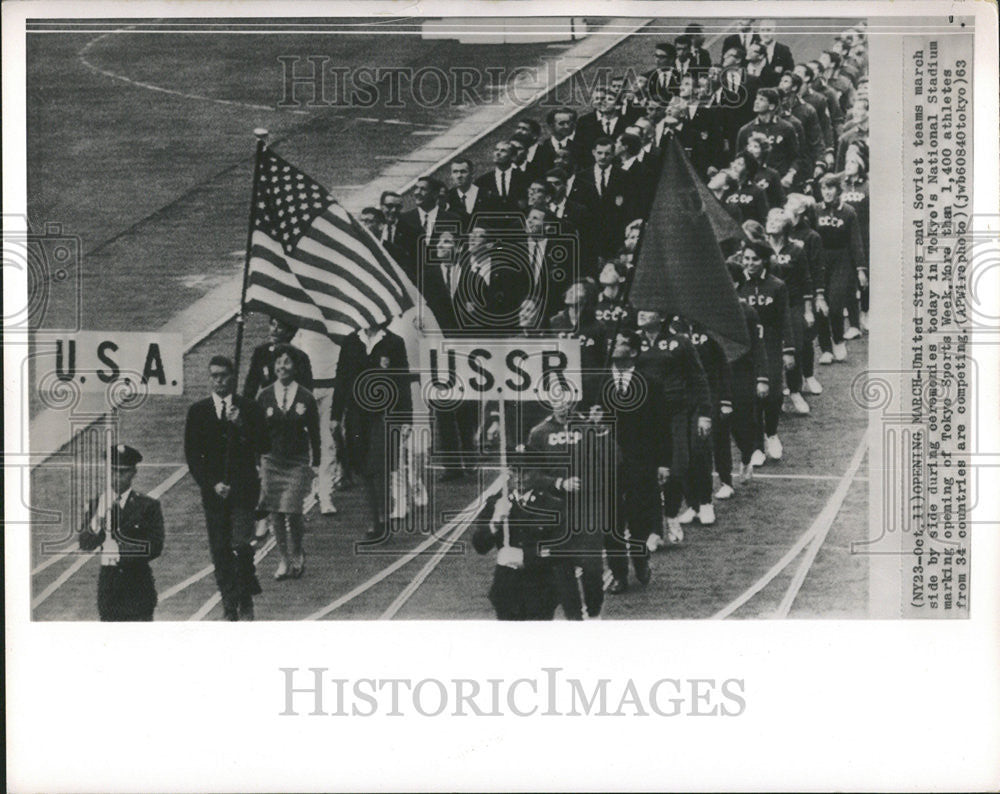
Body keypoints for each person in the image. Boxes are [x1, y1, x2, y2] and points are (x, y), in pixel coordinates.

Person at [185, 355, 269, 620]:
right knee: (220, 550)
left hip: (243, 490)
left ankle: (245, 592)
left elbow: (264, 445)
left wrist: (241, 425)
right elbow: (193, 455)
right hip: (215, 494)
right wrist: (211, 483)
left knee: (241, 545)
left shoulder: (249, 408)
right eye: (214, 376)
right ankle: (229, 602)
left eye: (224, 375)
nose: (219, 381)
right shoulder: (198, 412)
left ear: (233, 377)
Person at [331, 323, 412, 536]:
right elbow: (341, 380)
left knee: (379, 465)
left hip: (383, 414)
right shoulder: (350, 342)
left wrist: (406, 418)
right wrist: (335, 416)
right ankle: (373, 516)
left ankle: (383, 517)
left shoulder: (393, 343)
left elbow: (402, 382)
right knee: (363, 467)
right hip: (357, 415)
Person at [77, 444, 164, 621]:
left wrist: (119, 553)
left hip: (138, 586)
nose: (117, 477)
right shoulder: (98, 504)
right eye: (113, 472)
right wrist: (98, 517)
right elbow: (85, 543)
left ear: (133, 473)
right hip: (109, 588)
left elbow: (155, 547)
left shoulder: (147, 506)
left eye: (123, 472)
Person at [257, 345, 321, 579]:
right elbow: (257, 432)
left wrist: (316, 463)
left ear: (295, 367)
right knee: (276, 513)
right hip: (271, 461)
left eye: (287, 362)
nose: (281, 367)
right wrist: (258, 463)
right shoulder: (263, 396)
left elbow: (314, 432)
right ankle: (284, 558)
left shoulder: (306, 397)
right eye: (278, 362)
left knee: (293, 512)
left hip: (296, 461)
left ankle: (297, 551)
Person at [736, 241, 795, 465]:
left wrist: (788, 350)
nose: (750, 263)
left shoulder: (777, 286)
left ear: (764, 261)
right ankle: (757, 447)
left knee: (772, 394)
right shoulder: (738, 286)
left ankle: (771, 433)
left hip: (769, 345)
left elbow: (785, 319)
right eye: (746, 259)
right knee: (751, 397)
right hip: (746, 348)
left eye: (755, 259)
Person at [471, 482, 560, 621]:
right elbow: (479, 546)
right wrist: (495, 522)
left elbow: (561, 550)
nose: (520, 476)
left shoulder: (551, 504)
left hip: (541, 592)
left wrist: (524, 557)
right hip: (506, 591)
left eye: (526, 470)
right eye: (515, 469)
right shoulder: (497, 502)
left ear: (536, 473)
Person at [764, 208, 814, 415]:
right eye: (770, 219)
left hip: (792, 304)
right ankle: (776, 394)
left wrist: (808, 310)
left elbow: (806, 280)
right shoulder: (761, 249)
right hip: (767, 307)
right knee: (768, 352)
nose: (772, 222)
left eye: (777, 220)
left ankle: (795, 391)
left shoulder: (796, 250)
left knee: (795, 347)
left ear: (785, 226)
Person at [813, 173, 867, 363]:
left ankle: (838, 340)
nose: (827, 192)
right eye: (823, 189)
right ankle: (826, 349)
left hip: (842, 260)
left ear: (838, 189)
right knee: (820, 306)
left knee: (835, 305)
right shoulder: (815, 210)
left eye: (830, 188)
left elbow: (856, 242)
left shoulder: (849, 212)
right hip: (820, 261)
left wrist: (861, 269)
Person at [243, 315, 313, 398]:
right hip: (268, 404)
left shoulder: (299, 356)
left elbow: (306, 390)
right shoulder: (261, 352)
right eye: (272, 324)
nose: (274, 330)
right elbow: (251, 386)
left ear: (289, 331)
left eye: (280, 327)